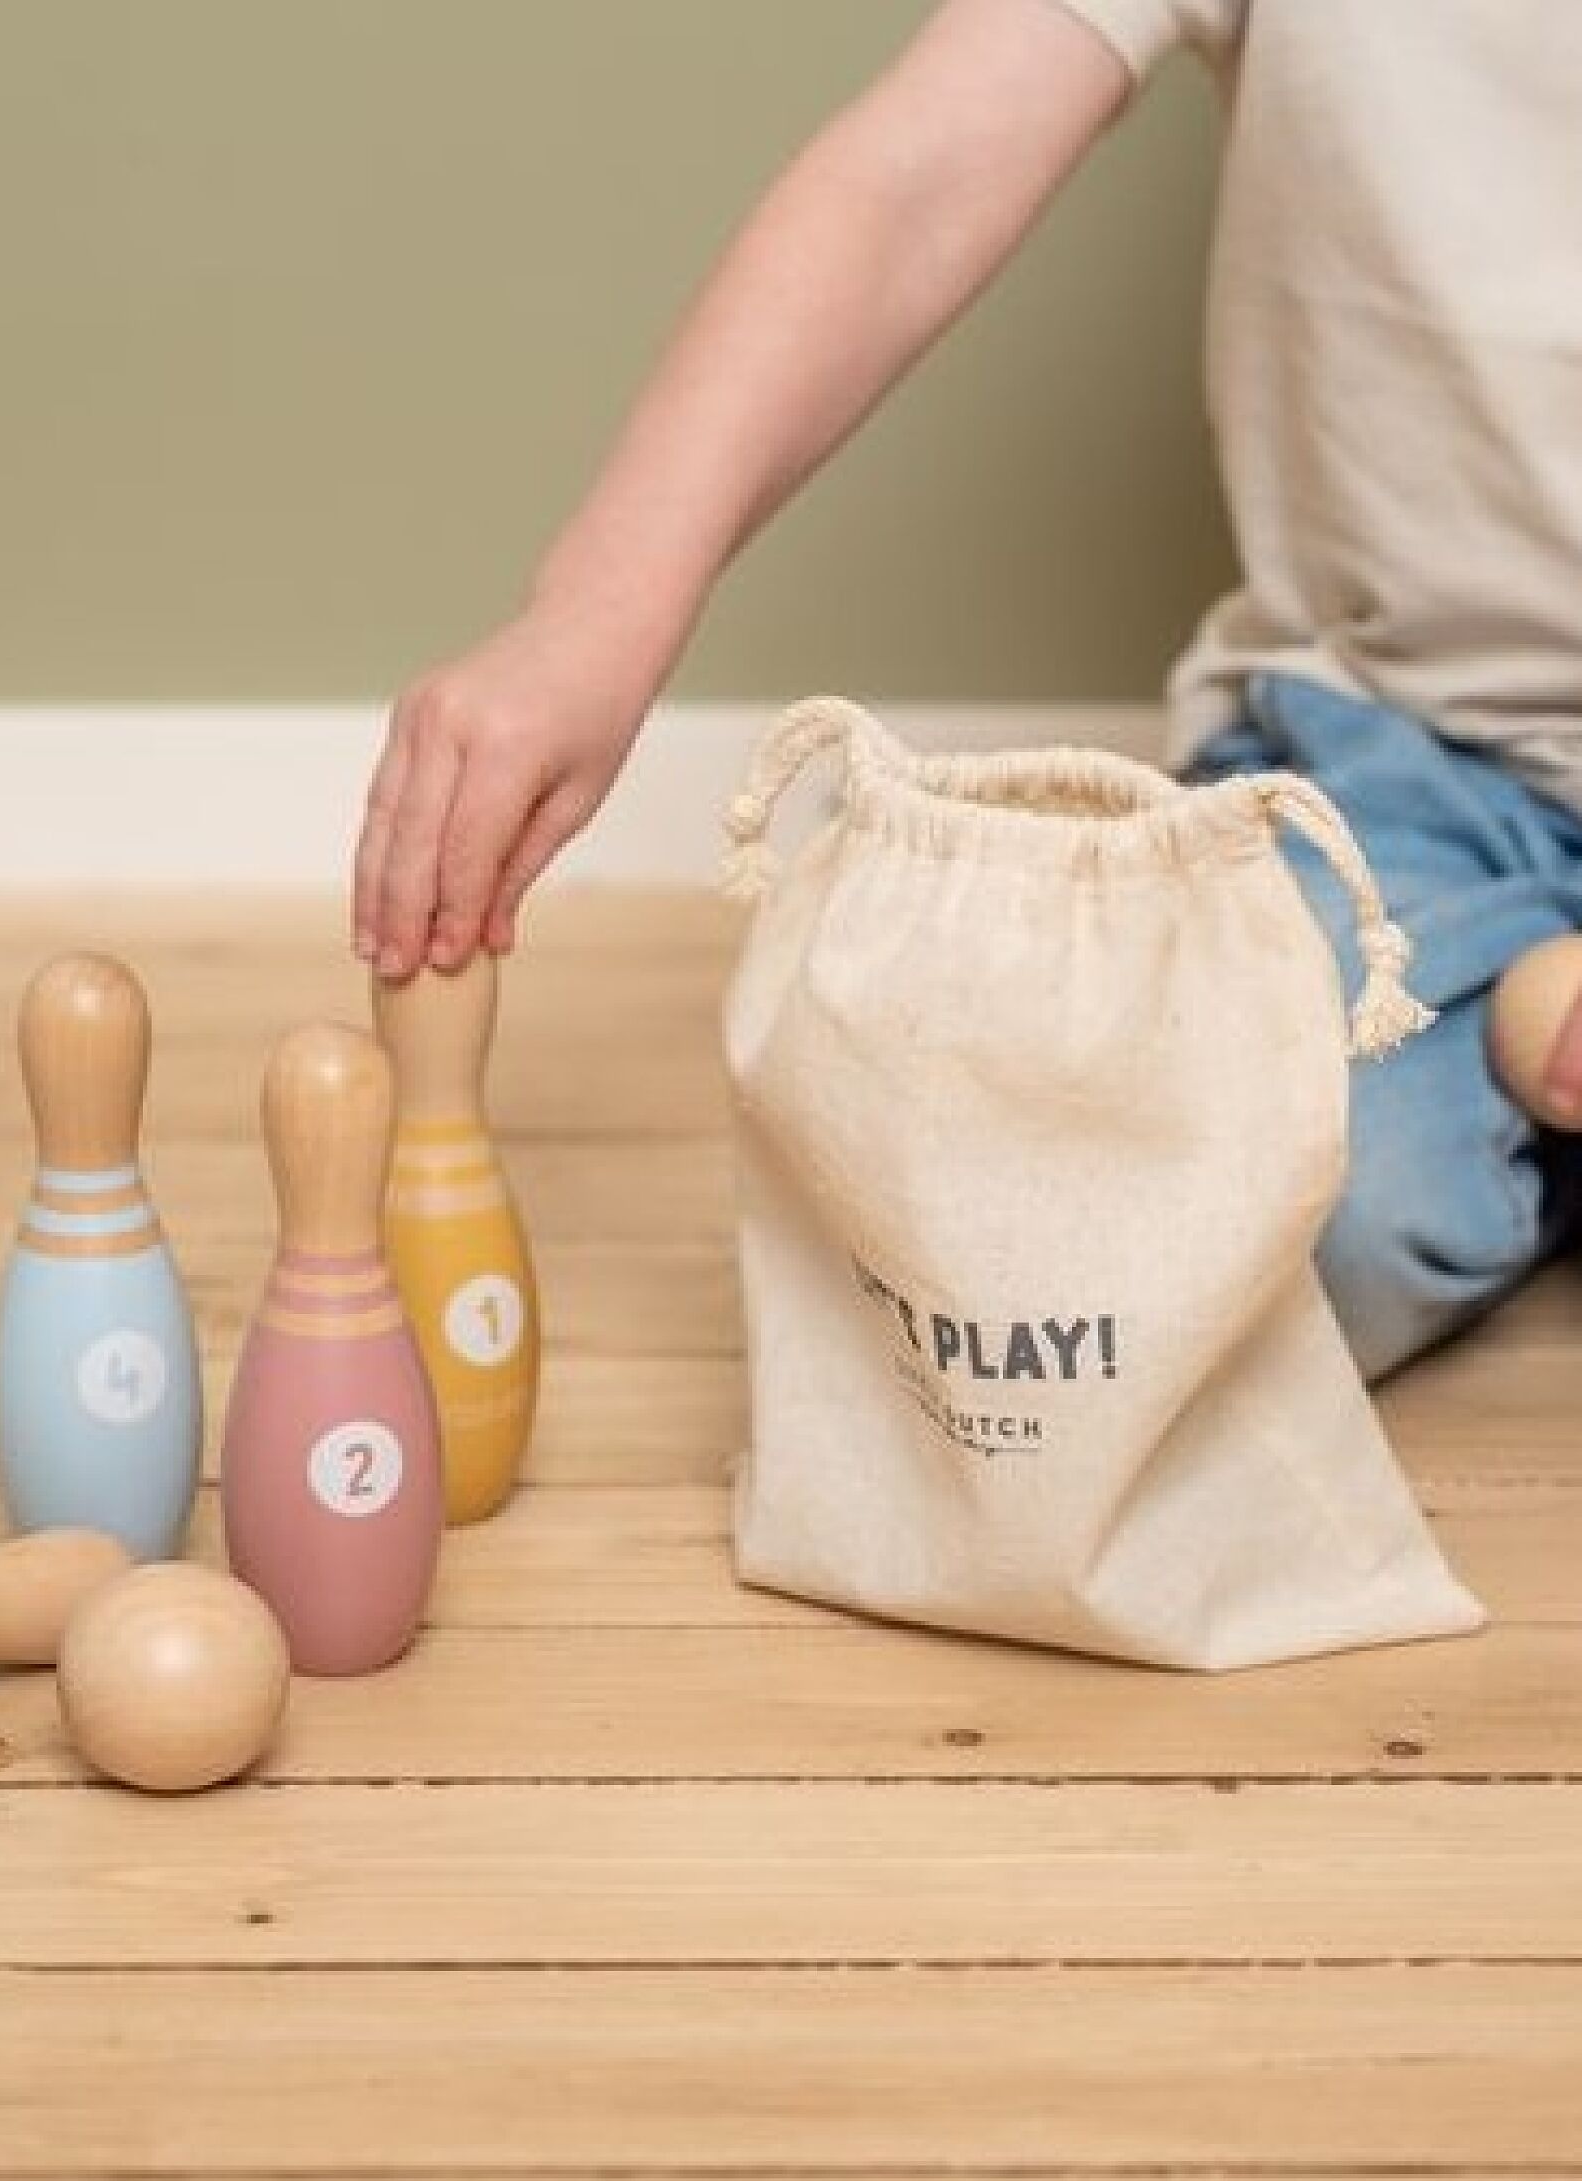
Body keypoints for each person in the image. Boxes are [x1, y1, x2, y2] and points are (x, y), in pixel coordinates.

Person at [350, 0, 1582, 1377]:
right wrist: (597, 610)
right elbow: (913, 177)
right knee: (1166, 1238)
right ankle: (1496, 1035)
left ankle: (1504, 1054)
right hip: (1385, 765)